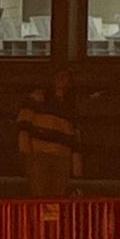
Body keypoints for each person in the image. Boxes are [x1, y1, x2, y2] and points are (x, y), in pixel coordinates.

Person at [18, 69, 81, 197]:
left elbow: (75, 135)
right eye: (59, 76)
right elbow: (23, 124)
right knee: (40, 194)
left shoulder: (71, 106)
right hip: (40, 154)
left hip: (62, 157)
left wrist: (76, 162)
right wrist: (26, 151)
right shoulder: (38, 98)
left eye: (65, 77)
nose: (61, 80)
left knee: (57, 195)